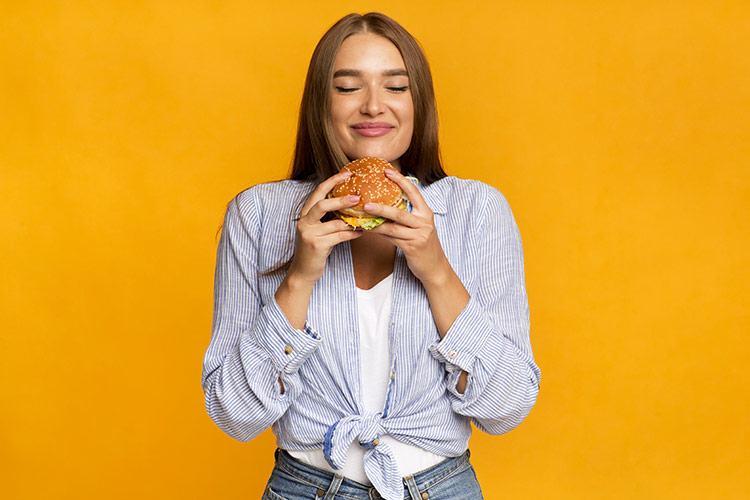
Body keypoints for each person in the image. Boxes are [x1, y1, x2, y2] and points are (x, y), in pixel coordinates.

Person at [202, 12, 541, 500]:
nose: (373, 106)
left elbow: (506, 408)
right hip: (305, 488)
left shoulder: (476, 211)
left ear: (418, 102)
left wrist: (437, 272)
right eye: (347, 87)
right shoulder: (258, 216)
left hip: (441, 488)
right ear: (321, 103)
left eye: (396, 86)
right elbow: (234, 415)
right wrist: (299, 278)